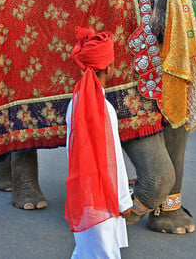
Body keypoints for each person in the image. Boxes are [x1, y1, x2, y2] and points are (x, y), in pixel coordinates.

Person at [65, 28, 132, 258]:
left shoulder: (74, 103)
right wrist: (123, 200)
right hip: (103, 194)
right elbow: (114, 158)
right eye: (113, 63)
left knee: (86, 248)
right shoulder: (105, 109)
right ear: (108, 68)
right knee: (104, 251)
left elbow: (71, 149)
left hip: (83, 189)